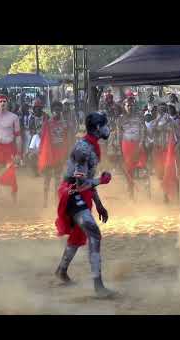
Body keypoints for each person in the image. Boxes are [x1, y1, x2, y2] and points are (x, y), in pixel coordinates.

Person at [54, 111, 115, 298]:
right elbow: (81, 184)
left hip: (80, 193)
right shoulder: (83, 149)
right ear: (97, 128)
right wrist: (101, 181)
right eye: (105, 125)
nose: (108, 128)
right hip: (72, 193)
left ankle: (61, 271)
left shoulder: (93, 146)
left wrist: (99, 204)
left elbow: (87, 180)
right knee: (94, 233)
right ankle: (98, 286)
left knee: (80, 234)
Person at [0, 95, 22, 207]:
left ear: (7, 103)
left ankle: (14, 199)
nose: (2, 103)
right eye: (0, 101)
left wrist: (19, 153)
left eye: (4, 101)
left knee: (11, 174)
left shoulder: (14, 117)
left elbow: (18, 136)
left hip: (9, 148)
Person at [38, 101, 69, 208]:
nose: (57, 112)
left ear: (61, 111)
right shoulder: (47, 123)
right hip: (49, 153)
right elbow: (42, 138)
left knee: (57, 178)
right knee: (47, 178)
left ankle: (57, 201)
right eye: (55, 110)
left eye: (59, 110)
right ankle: (45, 201)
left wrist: (67, 153)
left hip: (59, 153)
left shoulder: (65, 123)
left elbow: (67, 139)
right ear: (52, 111)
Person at [149, 102, 180, 202]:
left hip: (169, 151)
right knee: (161, 174)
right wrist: (159, 119)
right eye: (160, 110)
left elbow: (179, 135)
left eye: (164, 109)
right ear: (158, 111)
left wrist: (176, 147)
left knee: (172, 173)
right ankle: (165, 194)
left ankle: (173, 196)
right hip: (158, 150)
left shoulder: (172, 121)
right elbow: (151, 131)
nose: (162, 111)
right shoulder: (154, 121)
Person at [118, 97, 147, 199]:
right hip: (126, 145)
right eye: (128, 105)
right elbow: (119, 135)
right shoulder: (120, 119)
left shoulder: (140, 117)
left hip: (138, 144)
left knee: (143, 167)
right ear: (124, 106)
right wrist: (120, 150)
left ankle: (146, 193)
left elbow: (144, 130)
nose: (130, 107)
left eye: (131, 105)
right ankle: (131, 193)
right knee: (129, 170)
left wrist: (141, 142)